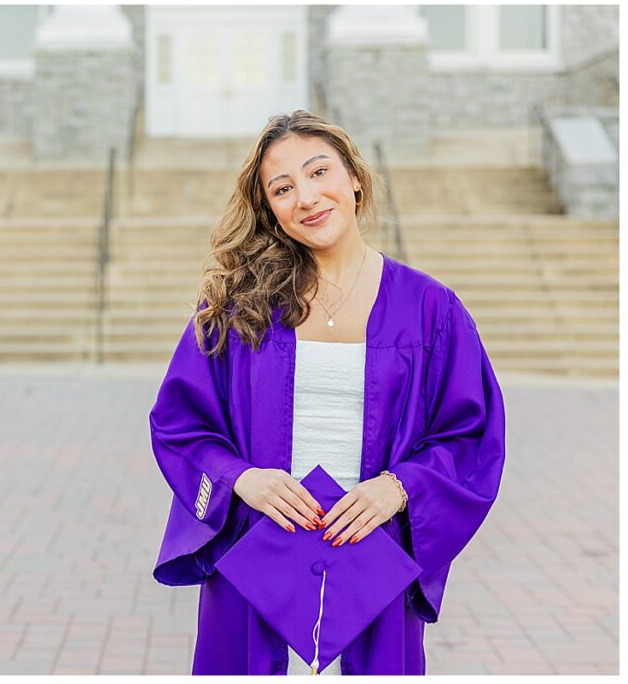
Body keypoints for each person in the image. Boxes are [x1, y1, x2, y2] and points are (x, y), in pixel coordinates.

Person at [149, 110, 506, 675]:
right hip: (259, 545)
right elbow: (179, 424)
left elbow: (470, 434)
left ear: (355, 178)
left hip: (374, 550)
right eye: (283, 188)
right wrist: (242, 478)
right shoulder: (239, 307)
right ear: (270, 210)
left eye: (319, 173)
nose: (307, 197)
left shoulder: (430, 309)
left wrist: (399, 488)